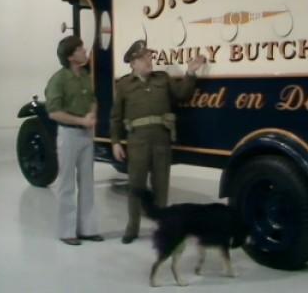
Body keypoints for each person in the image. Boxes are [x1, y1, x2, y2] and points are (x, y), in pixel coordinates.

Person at [110, 39, 205, 244]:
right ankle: (132, 227)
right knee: (136, 185)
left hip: (161, 140)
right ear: (133, 63)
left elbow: (182, 94)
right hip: (137, 142)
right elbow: (116, 117)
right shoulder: (124, 85)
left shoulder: (163, 78)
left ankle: (162, 226)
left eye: (150, 57)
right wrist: (116, 141)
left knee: (161, 185)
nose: (149, 61)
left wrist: (190, 73)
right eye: (144, 58)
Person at [45, 35, 104, 246]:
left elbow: (93, 100)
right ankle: (66, 231)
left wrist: (92, 115)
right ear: (71, 56)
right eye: (80, 48)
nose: (84, 50)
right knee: (67, 183)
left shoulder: (85, 76)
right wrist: (81, 120)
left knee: (88, 182)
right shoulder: (58, 80)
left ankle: (88, 229)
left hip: (86, 134)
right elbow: (54, 112)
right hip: (69, 134)